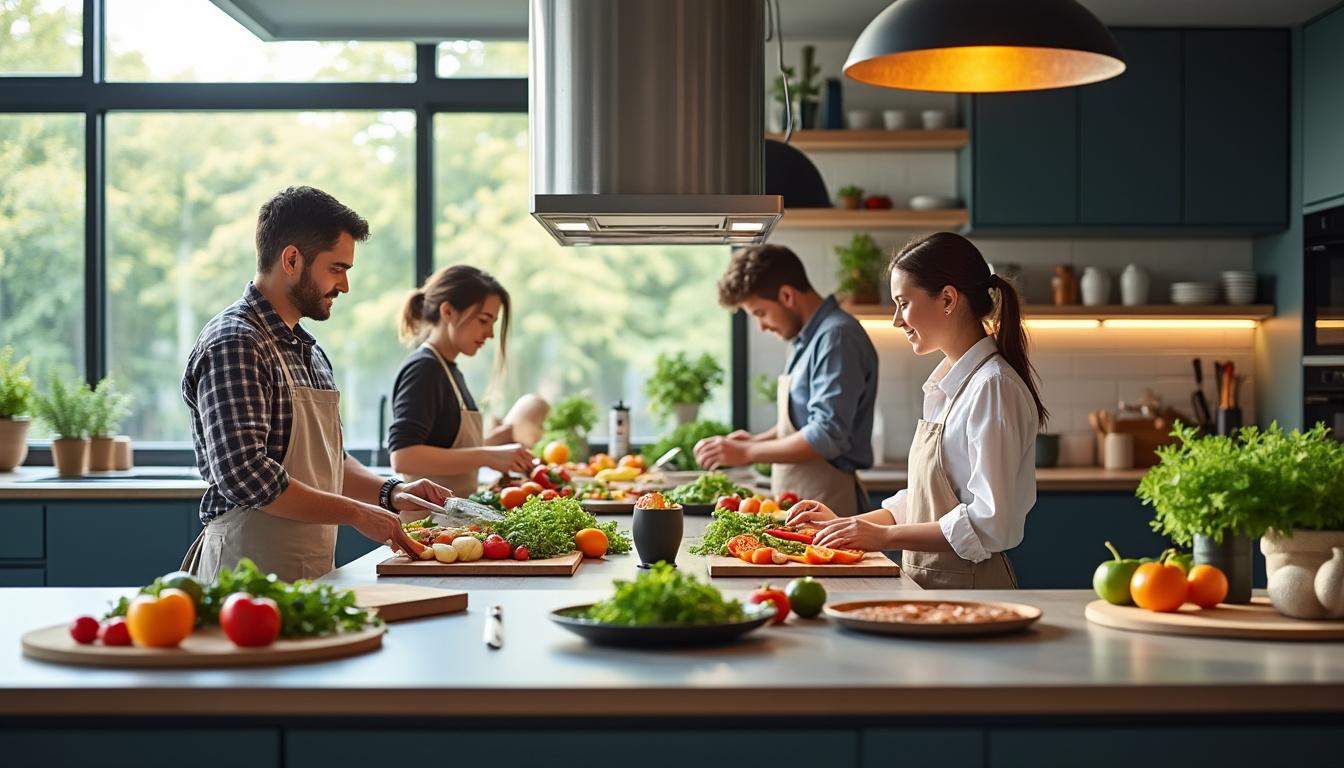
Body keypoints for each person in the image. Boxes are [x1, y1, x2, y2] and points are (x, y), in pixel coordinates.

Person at [181, 186, 437, 582]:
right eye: (337, 269)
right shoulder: (236, 342)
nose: (345, 286)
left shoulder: (309, 351)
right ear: (292, 259)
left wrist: (392, 493)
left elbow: (330, 461)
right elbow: (246, 475)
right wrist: (355, 513)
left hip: (309, 572)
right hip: (241, 577)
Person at [788, 232, 1046, 589]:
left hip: (973, 594)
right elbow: (925, 501)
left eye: (903, 303)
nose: (896, 319)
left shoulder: (993, 387)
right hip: (931, 585)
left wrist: (885, 538)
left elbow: (989, 522)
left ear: (947, 299)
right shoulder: (949, 384)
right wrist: (850, 525)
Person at [695, 244, 878, 517]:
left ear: (787, 295)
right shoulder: (806, 338)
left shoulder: (836, 338)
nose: (762, 326)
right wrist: (755, 441)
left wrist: (747, 453)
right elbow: (803, 424)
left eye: (760, 313)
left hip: (827, 503)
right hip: (801, 499)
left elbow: (826, 436)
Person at [387, 265, 534, 508]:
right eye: (484, 320)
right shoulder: (425, 369)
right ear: (448, 312)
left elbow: (444, 445)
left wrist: (492, 444)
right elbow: (404, 457)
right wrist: (487, 455)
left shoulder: (449, 370)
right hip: (427, 527)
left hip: (450, 524)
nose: (489, 334)